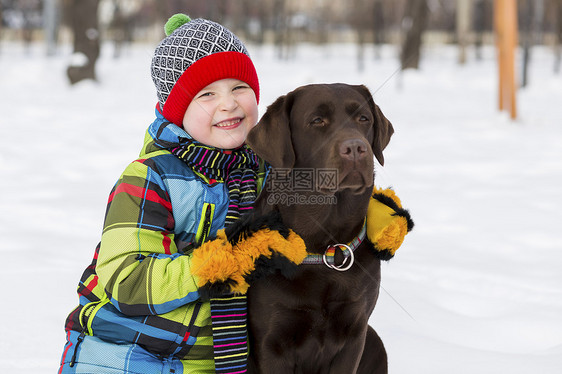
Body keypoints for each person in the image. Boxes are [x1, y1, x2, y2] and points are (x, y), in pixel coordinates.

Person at [58, 14, 307, 374]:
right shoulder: (151, 177)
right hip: (125, 351)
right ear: (178, 112)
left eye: (239, 87)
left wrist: (368, 217)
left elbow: (316, 211)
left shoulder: (266, 168)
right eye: (206, 94)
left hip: (207, 361)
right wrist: (221, 263)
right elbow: (127, 281)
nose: (228, 104)